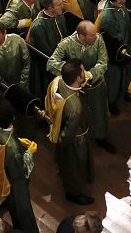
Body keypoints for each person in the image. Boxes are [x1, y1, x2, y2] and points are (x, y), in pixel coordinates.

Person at [47, 21, 115, 154]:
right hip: (76, 88)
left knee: (100, 112)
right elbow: (51, 63)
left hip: (96, 85)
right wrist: (73, 72)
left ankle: (101, 138)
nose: (96, 37)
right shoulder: (66, 43)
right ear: (82, 36)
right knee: (79, 114)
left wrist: (90, 74)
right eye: (92, 35)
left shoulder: (98, 39)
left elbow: (103, 62)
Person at [0, 101, 39, 233]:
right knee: (21, 204)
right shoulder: (12, 149)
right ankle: (25, 228)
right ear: (13, 119)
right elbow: (21, 171)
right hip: (12, 177)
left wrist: (17, 140)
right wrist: (30, 152)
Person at [44, 59, 96, 205]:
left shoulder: (58, 81)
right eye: (83, 71)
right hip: (75, 140)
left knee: (67, 163)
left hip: (58, 127)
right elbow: (68, 135)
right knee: (75, 166)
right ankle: (73, 193)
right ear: (78, 78)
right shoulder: (75, 107)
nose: (85, 72)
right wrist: (62, 144)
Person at [95, 0, 131, 115]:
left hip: (126, 45)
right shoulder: (107, 17)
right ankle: (112, 102)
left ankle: (125, 91)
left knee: (127, 72)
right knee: (115, 78)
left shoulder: (120, 6)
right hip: (115, 51)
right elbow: (115, 39)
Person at [26, 0, 67, 100]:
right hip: (46, 63)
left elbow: (65, 37)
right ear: (50, 8)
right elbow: (46, 51)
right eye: (59, 5)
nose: (62, 6)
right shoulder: (38, 26)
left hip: (60, 58)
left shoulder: (60, 16)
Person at [0, 22, 30, 89]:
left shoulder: (17, 40)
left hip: (24, 83)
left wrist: (22, 84)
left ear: (5, 33)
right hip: (4, 89)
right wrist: (7, 88)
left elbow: (26, 63)